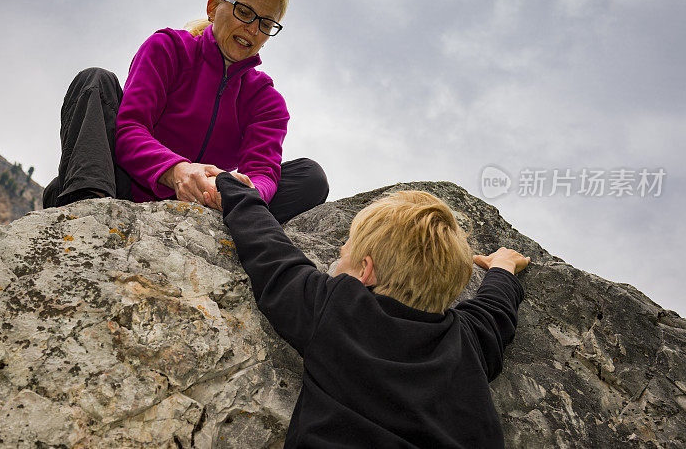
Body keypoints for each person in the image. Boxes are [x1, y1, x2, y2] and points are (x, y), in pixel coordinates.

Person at [215, 172, 529, 448]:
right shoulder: (469, 340)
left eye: (344, 251)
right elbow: (496, 311)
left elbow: (271, 253)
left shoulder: (338, 308)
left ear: (365, 272)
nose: (336, 262)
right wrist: (502, 267)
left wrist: (234, 188)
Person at [43, 0, 329, 224]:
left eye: (266, 23)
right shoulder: (168, 49)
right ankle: (86, 207)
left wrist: (244, 189)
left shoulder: (266, 101)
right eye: (244, 12)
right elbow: (130, 130)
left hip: (209, 202)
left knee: (310, 177)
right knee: (94, 81)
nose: (253, 29)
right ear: (213, 7)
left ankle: (230, 217)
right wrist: (178, 171)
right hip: (127, 187)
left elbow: (263, 170)